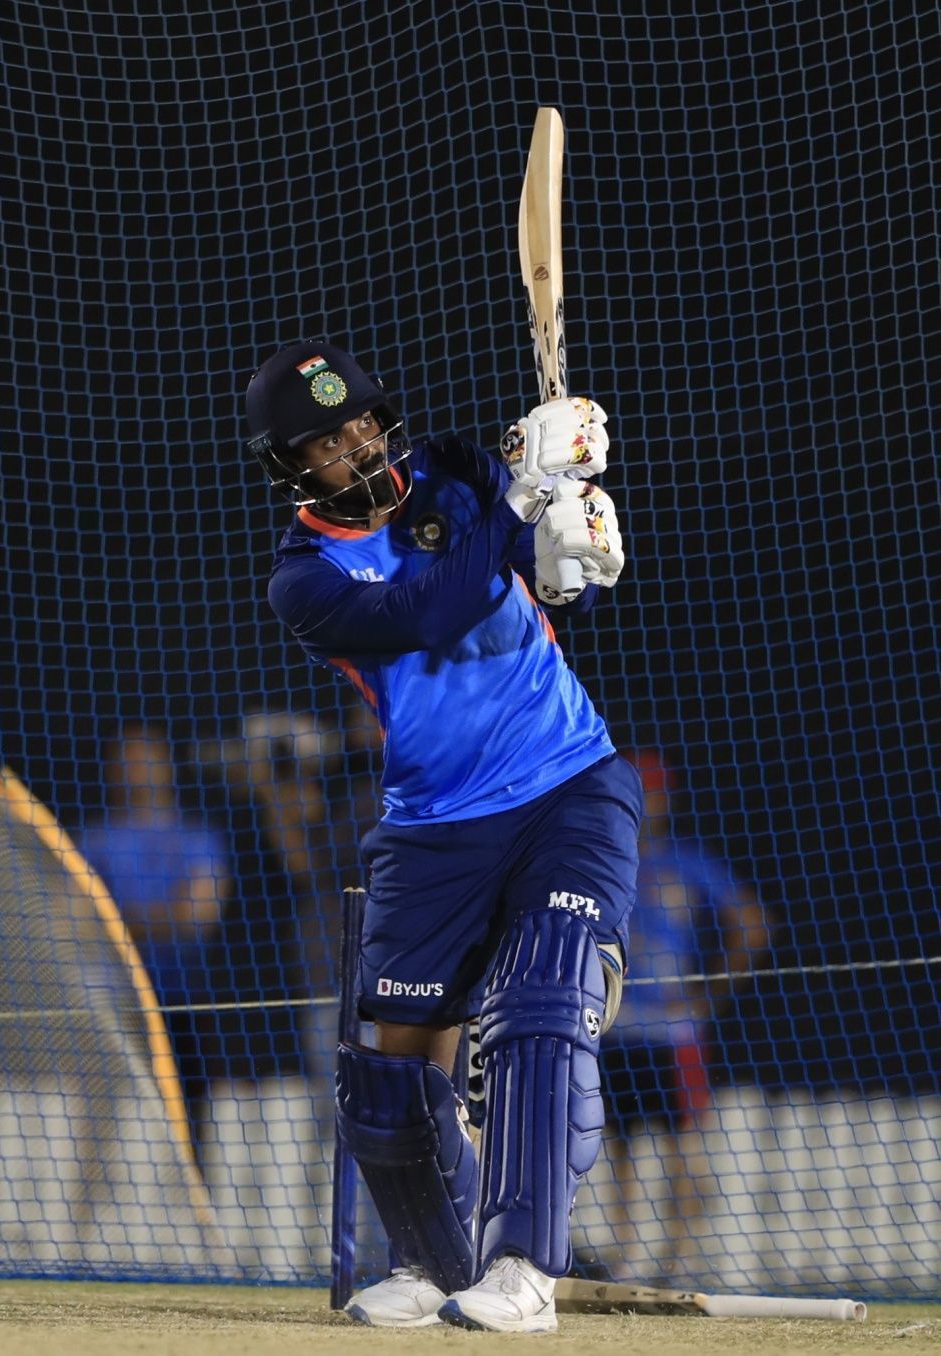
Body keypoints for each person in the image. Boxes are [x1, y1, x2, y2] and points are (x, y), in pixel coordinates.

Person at [251, 340, 636, 1332]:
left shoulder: (459, 472)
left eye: (364, 423)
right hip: (433, 830)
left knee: (541, 1004)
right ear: (293, 466)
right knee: (386, 1074)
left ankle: (522, 1272)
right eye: (330, 442)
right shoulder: (306, 578)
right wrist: (516, 503)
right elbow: (430, 610)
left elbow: (550, 585)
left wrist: (574, 531)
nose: (358, 446)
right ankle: (430, 1261)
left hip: (566, 785)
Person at [600, 747, 770, 1279]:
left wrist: (708, 994)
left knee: (684, 1152)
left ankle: (678, 1258)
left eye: (651, 794)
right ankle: (626, 1256)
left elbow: (753, 924)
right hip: (618, 1029)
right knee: (618, 1149)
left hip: (673, 1034)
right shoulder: (605, 859)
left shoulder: (687, 861)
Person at [77, 722, 233, 1143]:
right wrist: (162, 918)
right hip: (117, 1000)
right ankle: (87, 1207)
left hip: (183, 998)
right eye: (126, 760)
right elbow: (82, 921)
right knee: (100, 1114)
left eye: (145, 758)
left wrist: (124, 922)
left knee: (190, 1119)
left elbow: (199, 916)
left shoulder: (199, 836)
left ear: (166, 765)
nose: (137, 769)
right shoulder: (95, 840)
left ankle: (199, 1204)